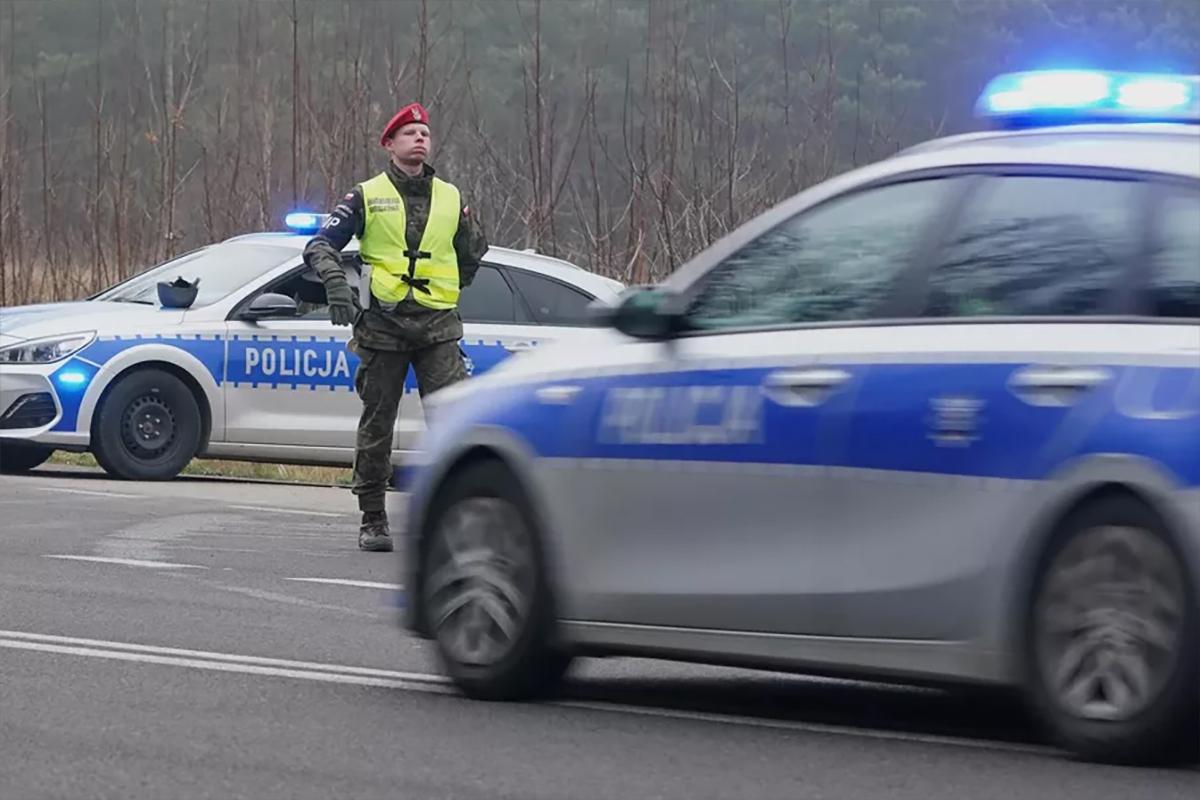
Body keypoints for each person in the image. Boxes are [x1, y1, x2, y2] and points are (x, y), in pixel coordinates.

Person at [303, 102, 487, 552]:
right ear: (389, 145)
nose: (419, 138)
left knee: (452, 422)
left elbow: (472, 251)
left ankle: (456, 517)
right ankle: (373, 518)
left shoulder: (451, 196)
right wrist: (336, 283)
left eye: (424, 132)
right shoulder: (365, 195)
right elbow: (320, 245)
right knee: (378, 423)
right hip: (382, 325)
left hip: (438, 326)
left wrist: (450, 283)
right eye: (409, 133)